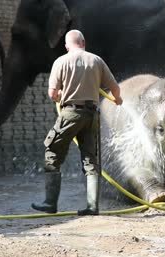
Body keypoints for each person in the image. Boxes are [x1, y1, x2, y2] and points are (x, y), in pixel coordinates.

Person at [31, 30, 123, 216]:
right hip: (92, 115)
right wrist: (118, 99)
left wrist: (60, 96)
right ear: (83, 42)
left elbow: (52, 94)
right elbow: (114, 88)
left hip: (70, 113)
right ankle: (92, 207)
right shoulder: (96, 60)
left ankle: (50, 203)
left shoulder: (61, 61)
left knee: (52, 154)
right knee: (90, 160)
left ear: (66, 46)